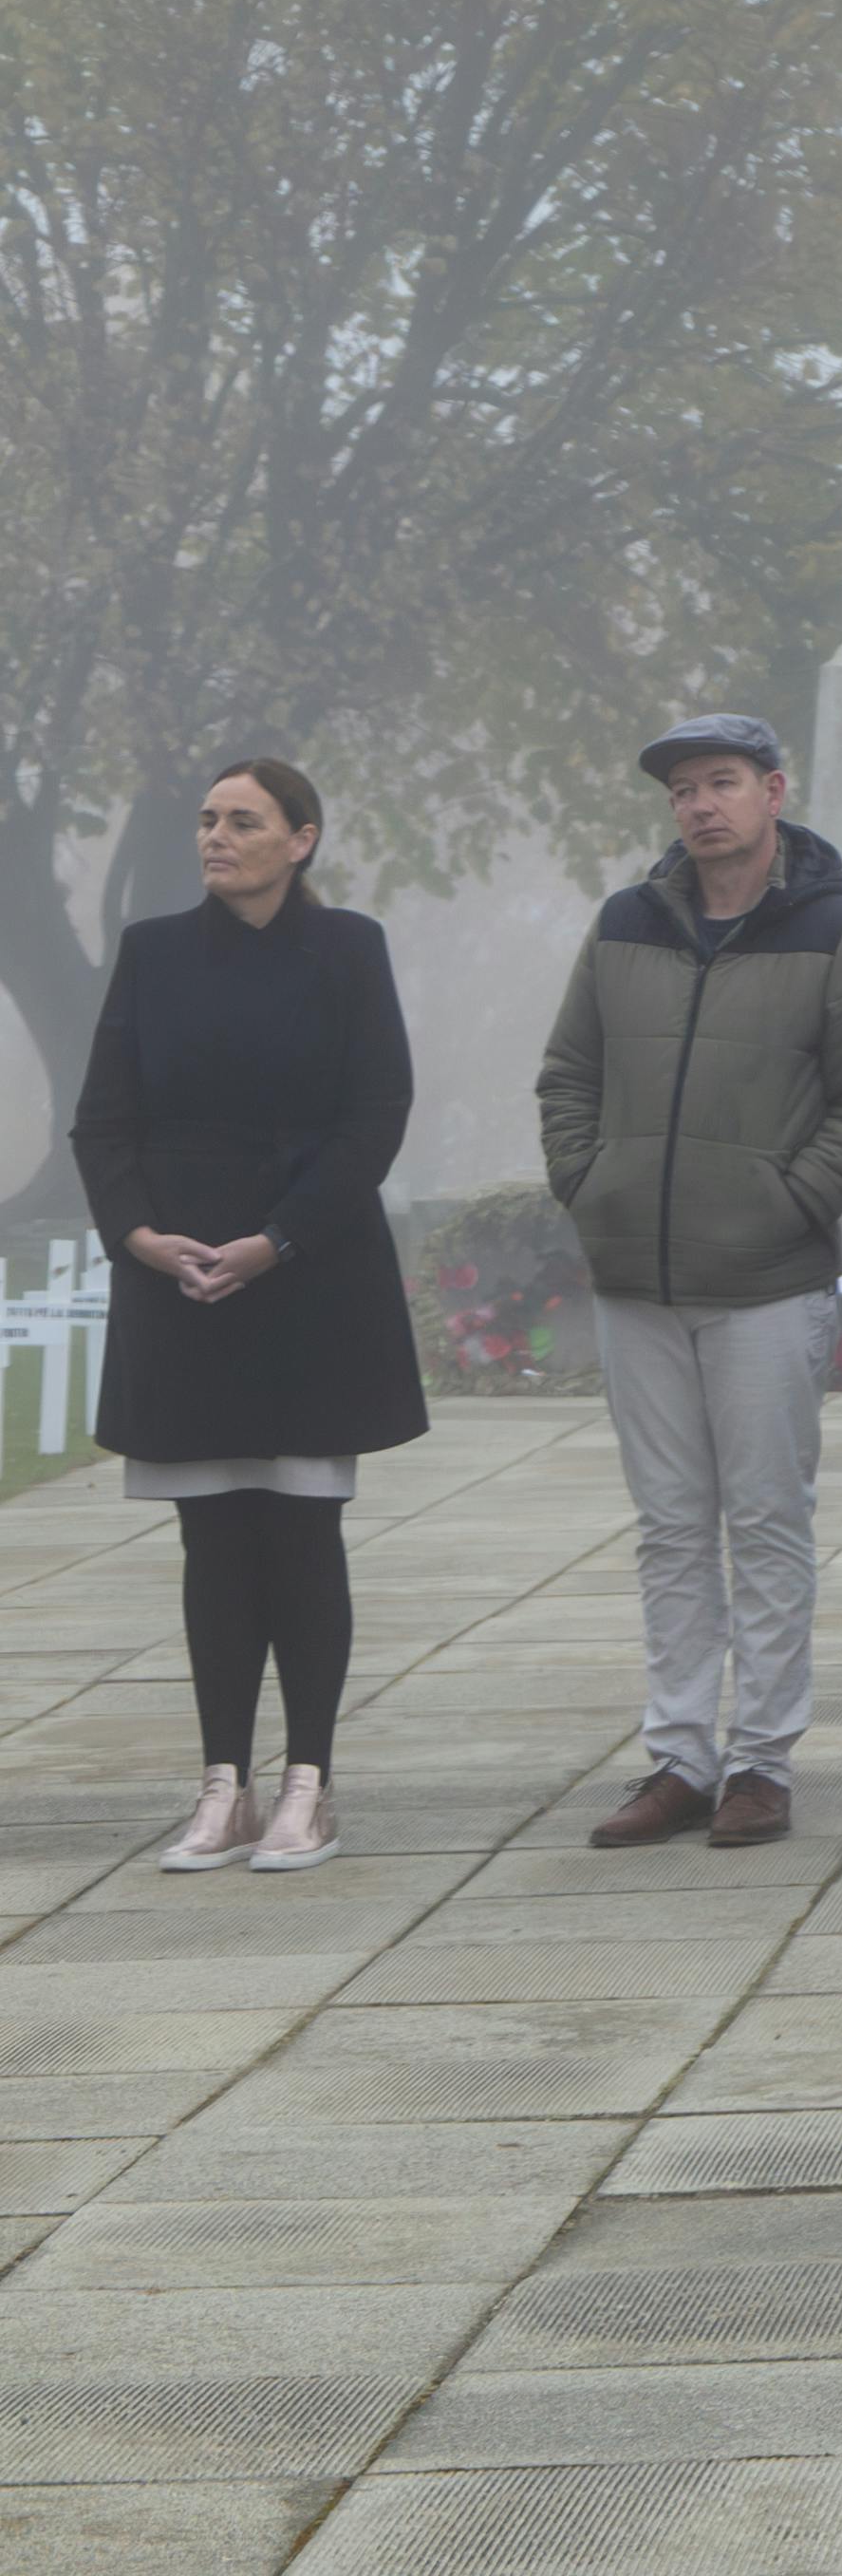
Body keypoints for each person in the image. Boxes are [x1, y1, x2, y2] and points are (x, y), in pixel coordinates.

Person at [536, 712, 842, 1855]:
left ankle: (761, 1761)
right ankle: (677, 1759)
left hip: (764, 1283)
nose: (700, 805)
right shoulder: (623, 927)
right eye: (682, 790)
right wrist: (589, 1181)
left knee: (765, 1523)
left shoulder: (834, 933)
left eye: (722, 782)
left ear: (772, 790)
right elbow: (568, 1072)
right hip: (634, 1279)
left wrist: (785, 1198)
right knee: (667, 1529)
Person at [80, 759, 421, 1875]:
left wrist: (278, 1240)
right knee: (213, 1538)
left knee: (300, 1532)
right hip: (180, 1279)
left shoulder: (349, 949)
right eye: (208, 821)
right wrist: (139, 1237)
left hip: (309, 1275)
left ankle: (306, 1785)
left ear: (303, 838)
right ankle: (221, 1782)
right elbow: (104, 1122)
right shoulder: (153, 952)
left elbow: (377, 1114)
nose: (217, 838)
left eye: (243, 821)